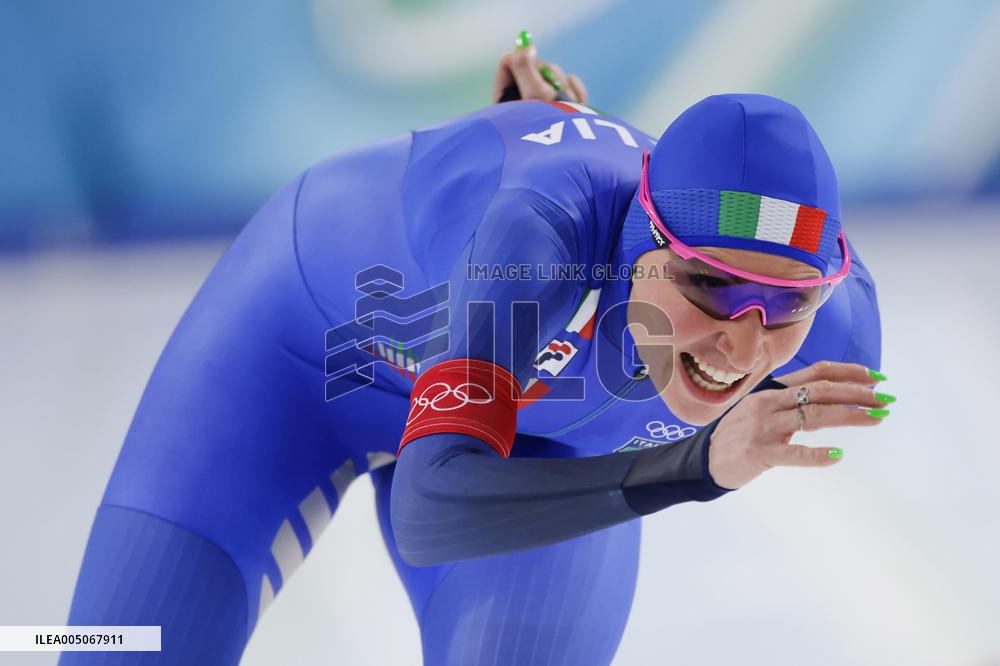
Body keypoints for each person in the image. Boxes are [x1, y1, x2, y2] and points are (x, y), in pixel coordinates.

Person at [61, 34, 890, 665]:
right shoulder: (534, 242)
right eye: (709, 285)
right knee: (113, 648)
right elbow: (431, 508)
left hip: (530, 440)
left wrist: (543, 121)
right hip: (301, 350)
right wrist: (697, 467)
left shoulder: (839, 330)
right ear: (642, 240)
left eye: (786, 304)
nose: (744, 340)